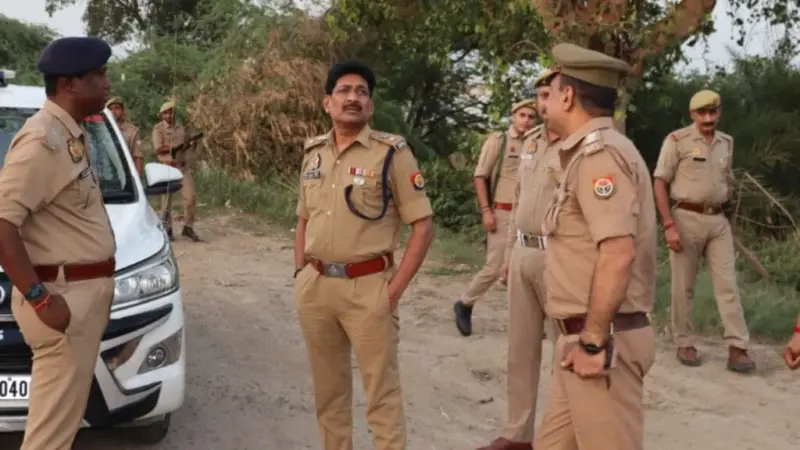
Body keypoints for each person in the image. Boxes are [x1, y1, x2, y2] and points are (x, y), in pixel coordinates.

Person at [293, 59, 435, 450]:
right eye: (344, 90)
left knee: (381, 395)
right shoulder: (314, 153)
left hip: (369, 288)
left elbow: (423, 227)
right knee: (329, 394)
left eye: (361, 92)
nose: (352, 98)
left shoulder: (391, 153)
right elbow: (303, 219)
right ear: (328, 102)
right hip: (316, 287)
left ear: (370, 106)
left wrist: (392, 292)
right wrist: (301, 273)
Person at [532, 43, 657, 450]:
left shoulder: (599, 156)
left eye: (551, 90)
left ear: (568, 96)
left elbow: (618, 254)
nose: (545, 100)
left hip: (600, 346)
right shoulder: (588, 153)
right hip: (580, 343)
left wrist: (591, 342)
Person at [0, 36, 117, 450]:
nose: (107, 83)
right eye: (99, 75)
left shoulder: (69, 134)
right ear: (70, 83)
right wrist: (40, 299)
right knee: (50, 437)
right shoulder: (42, 142)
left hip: (79, 295)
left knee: (59, 428)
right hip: (62, 297)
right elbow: (2, 225)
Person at [477, 69, 560, 450]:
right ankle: (518, 433)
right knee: (520, 350)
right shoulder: (531, 141)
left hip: (560, 254)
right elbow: (520, 200)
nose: (544, 103)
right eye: (540, 95)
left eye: (551, 94)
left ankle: (560, 436)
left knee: (565, 351)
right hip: (524, 249)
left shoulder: (581, 143)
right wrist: (509, 254)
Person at [653, 90, 755, 373]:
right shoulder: (677, 141)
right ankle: (684, 341)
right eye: (702, 113)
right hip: (686, 218)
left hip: (718, 221)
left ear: (719, 112)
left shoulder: (726, 143)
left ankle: (738, 347)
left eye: (713, 112)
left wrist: (730, 220)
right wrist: (668, 225)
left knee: (728, 285)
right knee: (683, 286)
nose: (708, 118)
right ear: (693, 114)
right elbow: (660, 182)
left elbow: (727, 182)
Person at [453, 98, 537, 337]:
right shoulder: (499, 141)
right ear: (513, 116)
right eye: (522, 115)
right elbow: (480, 176)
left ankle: (527, 321)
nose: (526, 121)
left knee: (523, 268)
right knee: (495, 267)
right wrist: (486, 211)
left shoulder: (536, 144)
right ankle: (465, 303)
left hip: (526, 215)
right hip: (502, 212)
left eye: (531, 117)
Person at [151, 101, 201, 242]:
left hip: (182, 167)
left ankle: (188, 227)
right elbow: (159, 149)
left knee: (190, 198)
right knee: (166, 202)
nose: (168, 115)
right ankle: (167, 229)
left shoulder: (181, 128)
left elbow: (186, 146)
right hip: (167, 167)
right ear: (162, 115)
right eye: (165, 113)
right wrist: (176, 147)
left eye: (171, 112)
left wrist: (191, 144)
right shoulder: (158, 129)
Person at [106, 96, 143, 174]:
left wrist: (137, 177)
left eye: (117, 108)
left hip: (125, 172)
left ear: (122, 110)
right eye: (110, 109)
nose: (113, 111)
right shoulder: (102, 129)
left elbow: (137, 157)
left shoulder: (132, 131)